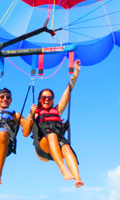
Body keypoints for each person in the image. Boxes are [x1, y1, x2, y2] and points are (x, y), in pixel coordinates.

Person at [22, 60, 84, 188]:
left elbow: (68, 91)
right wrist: (30, 114)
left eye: (49, 98)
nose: (46, 100)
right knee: (52, 136)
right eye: (44, 97)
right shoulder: (36, 113)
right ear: (39, 100)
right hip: (43, 148)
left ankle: (77, 178)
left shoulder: (57, 110)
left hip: (58, 145)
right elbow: (25, 133)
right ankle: (63, 170)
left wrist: (76, 73)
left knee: (66, 147)